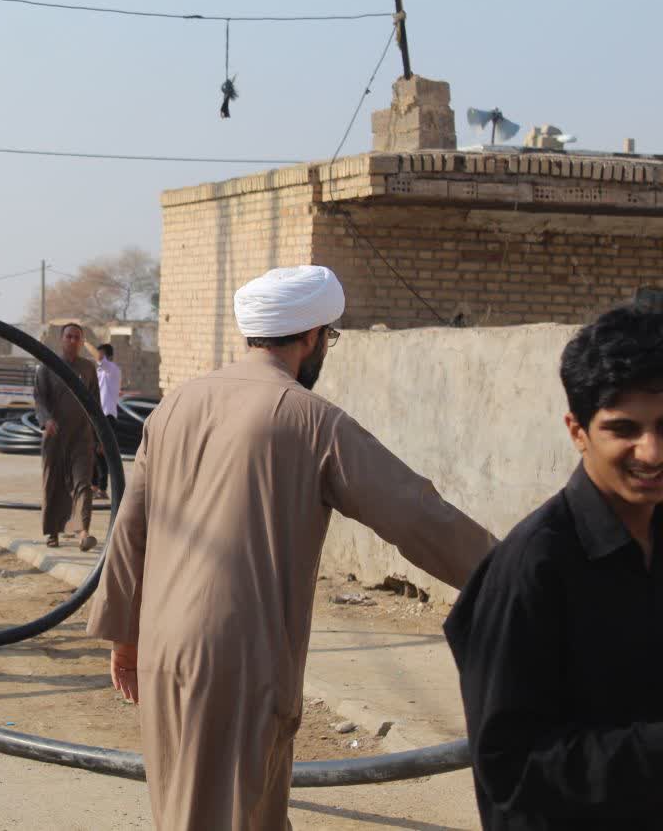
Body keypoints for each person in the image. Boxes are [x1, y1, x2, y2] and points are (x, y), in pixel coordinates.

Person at [87, 265, 494, 830]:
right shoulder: (312, 420)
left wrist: (125, 639)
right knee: (225, 814)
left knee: (206, 807)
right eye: (329, 336)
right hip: (241, 658)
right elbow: (417, 516)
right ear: (312, 337)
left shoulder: (175, 406)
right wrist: (517, 576)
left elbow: (132, 529)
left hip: (164, 648)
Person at [445, 305, 663, 829]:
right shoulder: (532, 567)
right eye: (624, 429)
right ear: (577, 430)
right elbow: (511, 769)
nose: (651, 452)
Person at [34, 323, 99, 552]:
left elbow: (95, 406)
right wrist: (47, 420)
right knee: (54, 483)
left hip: (82, 437)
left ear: (82, 341)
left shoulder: (89, 369)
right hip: (55, 437)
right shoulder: (47, 367)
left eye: (77, 337)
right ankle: (53, 531)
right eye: (68, 336)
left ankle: (83, 532)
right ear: (61, 339)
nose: (72, 341)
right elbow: (40, 400)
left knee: (83, 484)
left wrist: (99, 439)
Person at [93, 343, 121, 500]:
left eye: (102, 355)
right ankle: (94, 486)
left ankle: (102, 489)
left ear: (108, 357)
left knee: (102, 452)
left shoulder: (113, 370)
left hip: (108, 416)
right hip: (97, 416)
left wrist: (85, 343)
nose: (99, 358)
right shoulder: (99, 373)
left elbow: (98, 358)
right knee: (93, 452)